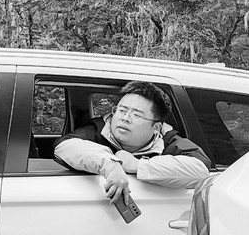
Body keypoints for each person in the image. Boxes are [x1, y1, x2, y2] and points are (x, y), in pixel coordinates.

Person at [53, 81, 211, 205]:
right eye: (122, 110)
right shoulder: (98, 129)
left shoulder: (168, 140)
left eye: (137, 115)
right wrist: (110, 164)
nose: (125, 118)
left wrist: (137, 165)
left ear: (156, 127)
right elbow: (64, 145)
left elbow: (201, 169)